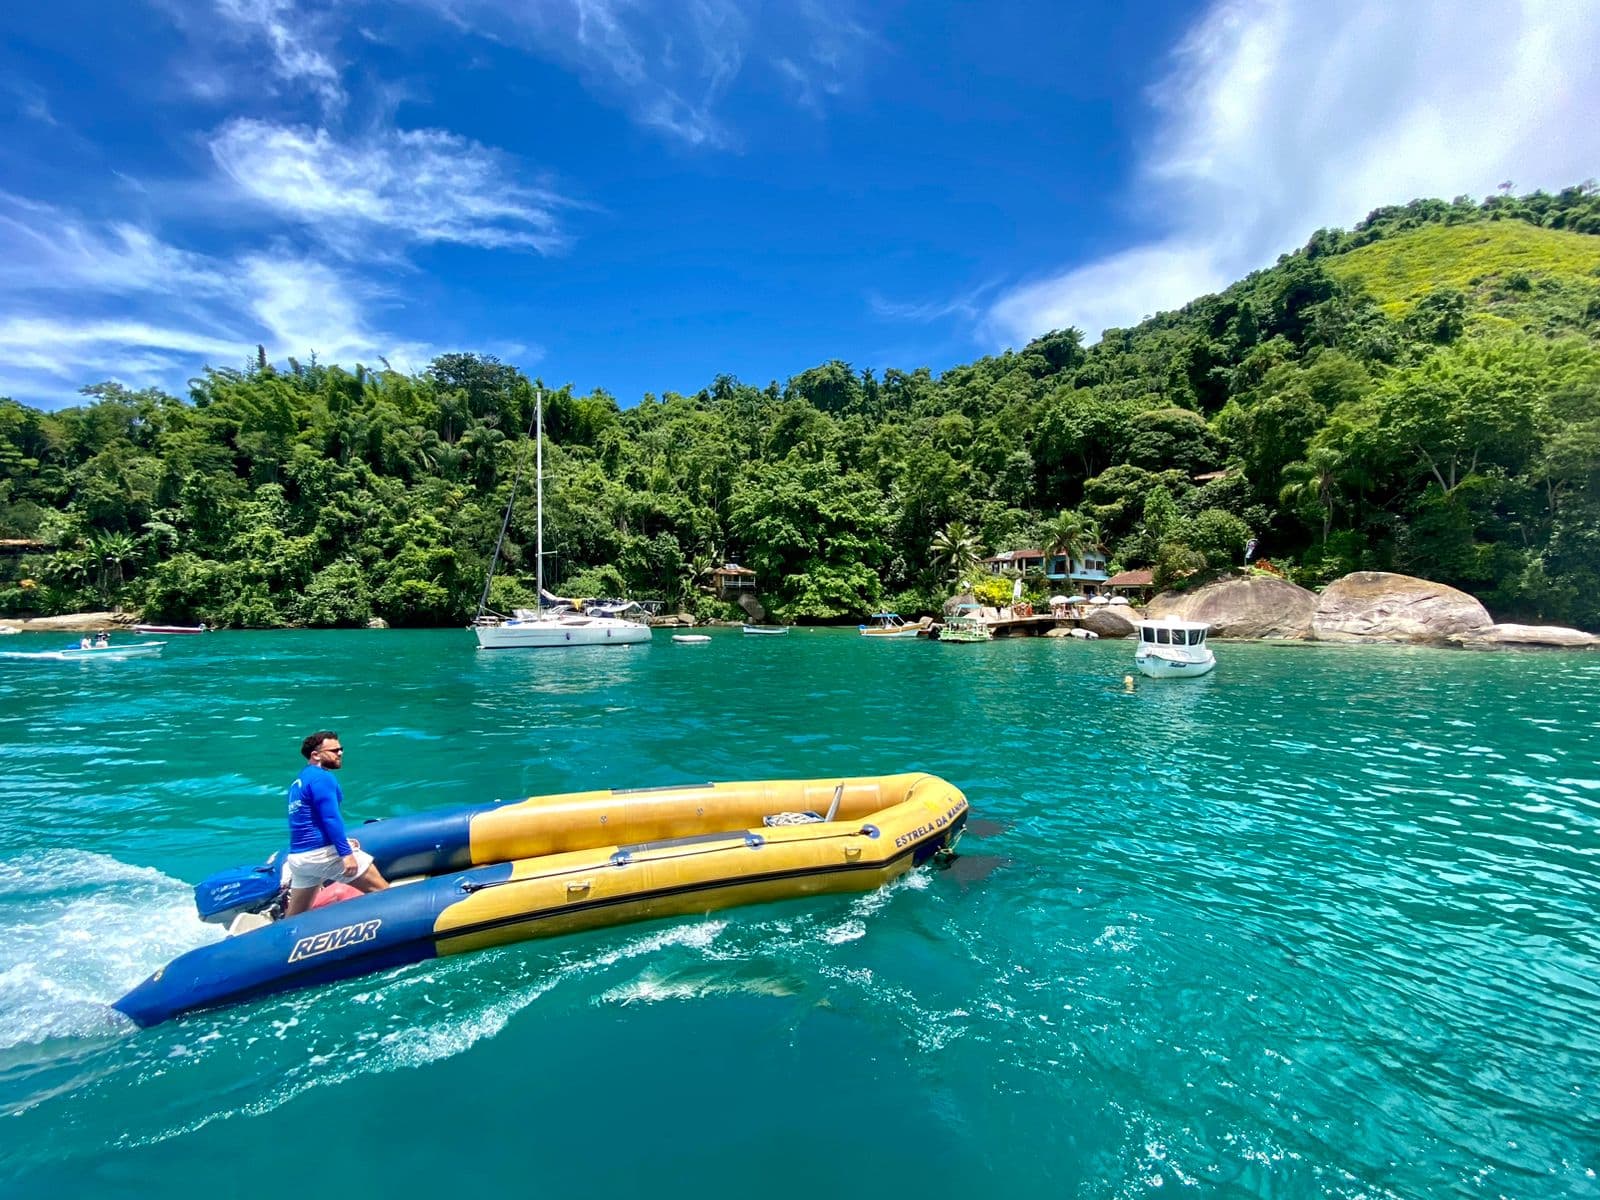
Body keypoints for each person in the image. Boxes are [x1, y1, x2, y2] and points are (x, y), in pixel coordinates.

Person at [283, 731, 388, 917]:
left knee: (295, 918)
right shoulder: (322, 777)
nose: (340, 753)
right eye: (333, 750)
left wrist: (343, 840)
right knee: (384, 892)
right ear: (315, 755)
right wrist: (345, 853)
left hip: (300, 858)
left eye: (341, 749)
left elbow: (309, 820)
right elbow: (330, 818)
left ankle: (282, 941)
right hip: (323, 853)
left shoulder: (300, 780)